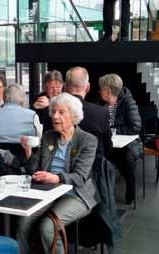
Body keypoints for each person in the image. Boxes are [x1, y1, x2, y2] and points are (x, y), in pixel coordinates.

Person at [18, 93, 99, 254]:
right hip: (48, 190)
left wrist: (55, 178)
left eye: (61, 112)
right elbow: (35, 170)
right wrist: (28, 151)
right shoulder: (49, 136)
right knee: (23, 221)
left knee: (48, 226)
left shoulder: (87, 140)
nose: (55, 116)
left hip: (77, 194)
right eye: (53, 111)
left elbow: (80, 177)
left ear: (74, 116)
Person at [99, 73, 142, 204]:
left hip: (129, 144)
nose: (99, 90)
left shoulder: (128, 102)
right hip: (109, 141)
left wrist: (115, 130)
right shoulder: (100, 103)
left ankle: (130, 192)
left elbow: (136, 127)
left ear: (108, 91)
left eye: (101, 88)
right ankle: (102, 194)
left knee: (127, 158)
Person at [65, 66, 112, 159]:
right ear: (88, 87)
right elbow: (108, 148)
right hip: (93, 167)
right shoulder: (101, 113)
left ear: (65, 86)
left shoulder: (51, 112)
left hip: (58, 169)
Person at [0, 84, 42, 158]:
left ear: (4, 97)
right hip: (25, 158)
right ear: (23, 98)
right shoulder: (32, 115)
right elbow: (39, 140)